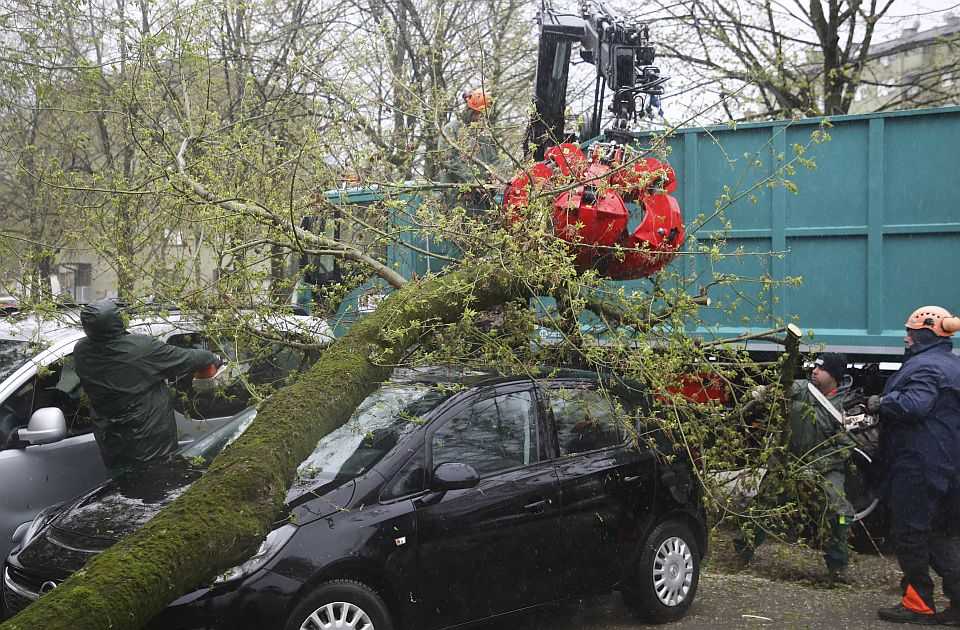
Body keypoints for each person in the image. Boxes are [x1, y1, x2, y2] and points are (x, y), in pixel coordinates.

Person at [869, 305, 960, 625]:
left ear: (926, 332)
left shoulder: (926, 366)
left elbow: (914, 404)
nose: (906, 337)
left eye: (910, 331)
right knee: (937, 536)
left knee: (909, 534)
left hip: (918, 465)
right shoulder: (953, 365)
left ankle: (918, 602)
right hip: (947, 466)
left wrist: (882, 403)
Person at [735, 352, 856, 584]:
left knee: (840, 513)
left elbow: (844, 446)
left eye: (822, 369)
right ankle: (741, 552)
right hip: (787, 463)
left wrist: (814, 467)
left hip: (824, 469)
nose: (815, 371)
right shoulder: (802, 389)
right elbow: (780, 390)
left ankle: (838, 566)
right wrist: (764, 393)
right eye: (815, 367)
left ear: (835, 376)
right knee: (764, 507)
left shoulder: (845, 406)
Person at [73, 299, 222, 475]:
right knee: (157, 494)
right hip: (150, 446)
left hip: (112, 445)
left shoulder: (81, 350)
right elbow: (186, 359)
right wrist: (212, 358)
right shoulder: (139, 349)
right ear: (117, 321)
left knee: (122, 494)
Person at [438, 88, 501, 192]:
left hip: (482, 197)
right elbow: (446, 160)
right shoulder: (451, 129)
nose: (478, 118)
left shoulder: (483, 135)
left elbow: (494, 160)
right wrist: (471, 179)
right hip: (456, 194)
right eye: (475, 113)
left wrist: (495, 176)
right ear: (468, 110)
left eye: (481, 115)